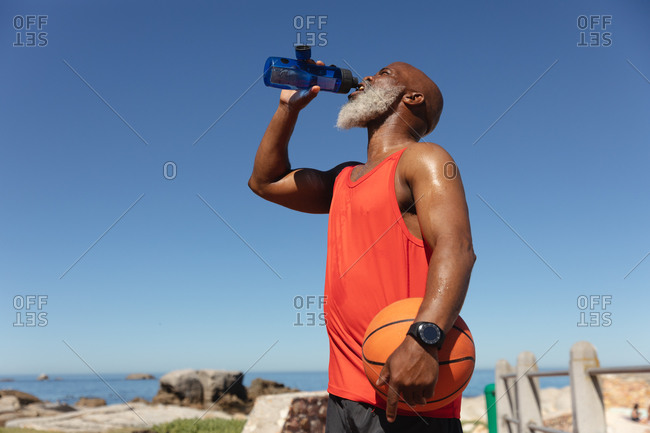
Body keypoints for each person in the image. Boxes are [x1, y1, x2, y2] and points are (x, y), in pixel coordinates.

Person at [249, 59, 475, 432]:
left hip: (405, 390)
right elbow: (265, 182)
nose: (367, 77)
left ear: (412, 98)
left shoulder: (425, 159)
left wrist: (423, 340)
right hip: (345, 392)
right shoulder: (344, 177)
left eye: (384, 74)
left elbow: (457, 249)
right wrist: (287, 110)